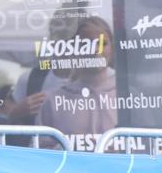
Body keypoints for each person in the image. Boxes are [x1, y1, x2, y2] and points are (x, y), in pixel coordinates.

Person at [37, 15, 117, 150]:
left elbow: (148, 146)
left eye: (102, 43)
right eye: (87, 44)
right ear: (75, 49)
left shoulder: (129, 95)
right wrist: (71, 146)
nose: (96, 50)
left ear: (112, 48)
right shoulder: (53, 102)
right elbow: (38, 152)